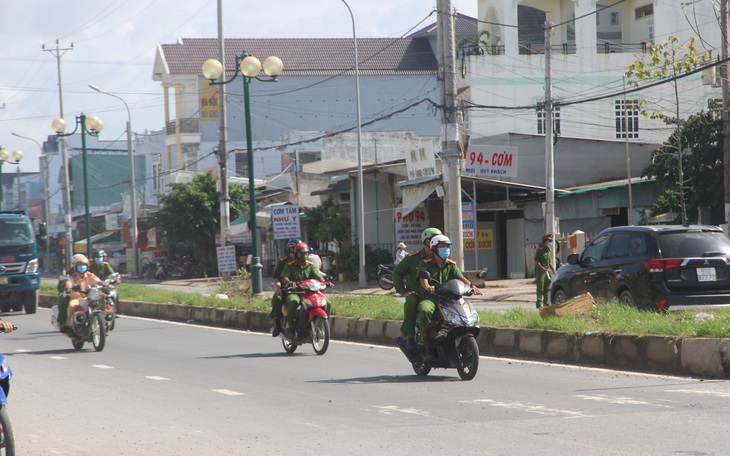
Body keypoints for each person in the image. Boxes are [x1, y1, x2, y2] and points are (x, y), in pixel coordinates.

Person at [416, 234, 481, 345]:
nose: (446, 249)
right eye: (442, 246)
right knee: (424, 310)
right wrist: (429, 288)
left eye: (447, 246)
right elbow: (424, 281)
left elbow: (461, 278)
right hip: (431, 298)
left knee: (464, 313)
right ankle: (425, 341)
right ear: (434, 248)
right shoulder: (425, 264)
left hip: (448, 299)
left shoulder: (451, 265)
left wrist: (472, 287)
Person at [393, 227, 442, 353]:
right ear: (425, 241)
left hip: (435, 295)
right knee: (411, 302)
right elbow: (397, 272)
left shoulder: (441, 258)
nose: (435, 243)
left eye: (437, 241)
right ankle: (410, 336)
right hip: (416, 293)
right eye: (432, 240)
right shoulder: (412, 258)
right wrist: (402, 290)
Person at [280, 242, 330, 340]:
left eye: (306, 253)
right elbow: (284, 278)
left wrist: (325, 283)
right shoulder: (290, 266)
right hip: (294, 292)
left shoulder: (310, 266)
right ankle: (290, 326)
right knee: (294, 303)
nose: (304, 256)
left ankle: (322, 323)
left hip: (309, 292)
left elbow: (318, 276)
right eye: (301, 253)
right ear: (295, 254)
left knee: (327, 302)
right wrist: (291, 283)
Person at [61, 254, 105, 334]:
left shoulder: (90, 276)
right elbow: (68, 283)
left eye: (83, 265)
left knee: (103, 304)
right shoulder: (72, 277)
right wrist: (69, 286)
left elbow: (98, 281)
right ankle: (69, 326)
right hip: (76, 298)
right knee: (72, 306)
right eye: (79, 265)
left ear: (87, 266)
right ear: (75, 267)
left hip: (90, 297)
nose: (82, 267)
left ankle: (105, 323)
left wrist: (106, 285)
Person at [269, 238, 301, 337]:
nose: (298, 252)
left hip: (302, 288)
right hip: (286, 289)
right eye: (296, 249)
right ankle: (278, 324)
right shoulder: (283, 262)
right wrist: (278, 288)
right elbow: (278, 278)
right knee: (277, 299)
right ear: (291, 250)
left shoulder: (304, 261)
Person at [534, 234, 556, 309]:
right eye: (549, 241)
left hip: (547, 271)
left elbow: (550, 262)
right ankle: (539, 303)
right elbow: (536, 261)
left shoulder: (548, 251)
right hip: (540, 271)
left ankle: (546, 302)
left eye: (551, 241)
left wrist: (554, 271)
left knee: (547, 288)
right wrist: (541, 268)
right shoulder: (540, 250)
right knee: (540, 288)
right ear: (545, 241)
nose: (550, 243)